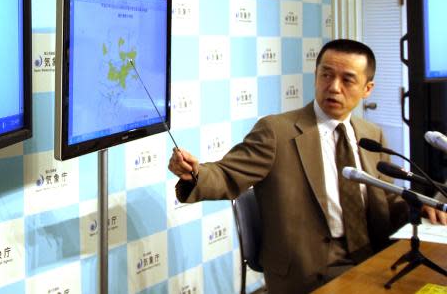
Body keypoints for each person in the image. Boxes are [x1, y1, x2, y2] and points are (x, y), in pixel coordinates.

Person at [168, 39, 447, 293]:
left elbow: (381, 197)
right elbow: (226, 174)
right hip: (308, 267)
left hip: (371, 251)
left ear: (367, 89)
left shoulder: (371, 135)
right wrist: (195, 174)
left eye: (347, 79)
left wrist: (418, 205)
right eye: (326, 74)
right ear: (316, 76)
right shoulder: (277, 132)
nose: (334, 87)